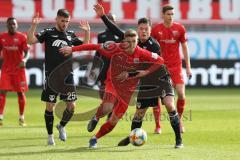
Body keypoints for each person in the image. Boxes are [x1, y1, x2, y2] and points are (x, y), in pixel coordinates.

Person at [59, 29, 167, 148]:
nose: (131, 44)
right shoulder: (114, 46)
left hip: (128, 91)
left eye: (134, 41)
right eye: (129, 41)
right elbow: (94, 46)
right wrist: (72, 49)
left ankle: (95, 138)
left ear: (137, 41)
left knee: (114, 121)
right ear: (124, 41)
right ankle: (96, 117)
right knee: (108, 107)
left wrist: (145, 72)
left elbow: (160, 61)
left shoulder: (142, 53)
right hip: (113, 84)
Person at [93, 3, 162, 134]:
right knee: (119, 105)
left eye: (146, 29)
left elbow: (158, 64)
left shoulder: (154, 46)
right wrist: (102, 16)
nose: (143, 31)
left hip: (146, 76)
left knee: (155, 97)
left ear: (150, 30)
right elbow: (114, 30)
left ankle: (157, 125)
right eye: (141, 28)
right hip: (129, 75)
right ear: (138, 29)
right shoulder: (131, 39)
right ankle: (128, 129)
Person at [27, 9, 90, 146]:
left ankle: (61, 126)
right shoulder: (48, 32)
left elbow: (84, 46)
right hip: (52, 76)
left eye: (67, 21)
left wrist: (87, 31)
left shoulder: (70, 35)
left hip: (68, 75)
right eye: (62, 21)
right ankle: (50, 136)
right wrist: (33, 26)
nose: (65, 24)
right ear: (56, 19)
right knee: (50, 106)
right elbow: (30, 40)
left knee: (72, 106)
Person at [151, 4, 192, 133]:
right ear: (163, 15)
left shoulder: (179, 28)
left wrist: (188, 68)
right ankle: (158, 125)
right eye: (168, 14)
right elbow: (151, 47)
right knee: (157, 96)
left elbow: (185, 48)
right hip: (161, 67)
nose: (170, 16)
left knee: (181, 93)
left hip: (176, 66)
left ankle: (178, 121)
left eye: (172, 14)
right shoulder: (156, 29)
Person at [89, 13, 120, 120]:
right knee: (102, 93)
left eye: (112, 19)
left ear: (116, 21)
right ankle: (108, 110)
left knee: (115, 93)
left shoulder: (120, 35)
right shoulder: (101, 35)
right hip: (103, 67)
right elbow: (98, 53)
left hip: (116, 68)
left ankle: (110, 112)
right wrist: (93, 68)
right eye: (108, 19)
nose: (110, 20)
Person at [0, 17, 29, 126]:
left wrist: (24, 59)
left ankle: (21, 117)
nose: (12, 26)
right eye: (10, 24)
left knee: (20, 93)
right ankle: (0, 117)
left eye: (14, 24)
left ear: (16, 25)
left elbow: (27, 52)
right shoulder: (2, 37)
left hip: (18, 70)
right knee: (2, 92)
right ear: (7, 25)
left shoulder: (22, 37)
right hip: (6, 69)